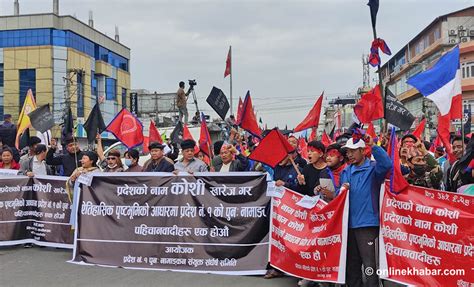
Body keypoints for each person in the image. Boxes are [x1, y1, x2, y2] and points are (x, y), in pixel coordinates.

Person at [339, 135, 392, 287]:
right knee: (352, 264)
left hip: (367, 224)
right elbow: (340, 195)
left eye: (353, 151)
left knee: (369, 265)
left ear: (363, 151)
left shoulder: (373, 168)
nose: (349, 154)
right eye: (347, 151)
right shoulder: (345, 171)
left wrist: (374, 145)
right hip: (348, 224)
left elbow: (387, 164)